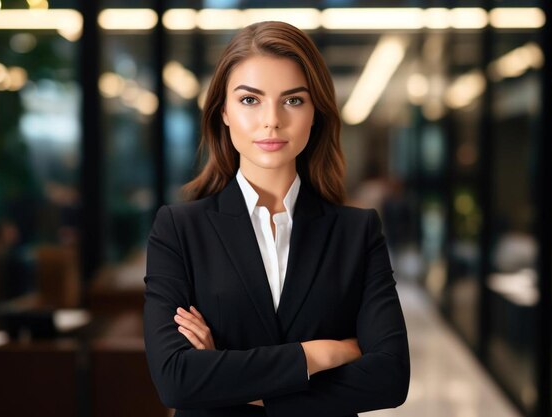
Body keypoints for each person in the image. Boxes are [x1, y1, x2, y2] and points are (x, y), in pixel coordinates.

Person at [144, 21, 410, 417]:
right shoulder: (179, 230)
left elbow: (390, 377)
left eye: (293, 100)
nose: (272, 120)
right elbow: (176, 378)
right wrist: (320, 353)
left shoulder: (356, 231)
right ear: (224, 113)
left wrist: (229, 382)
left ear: (315, 112)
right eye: (250, 100)